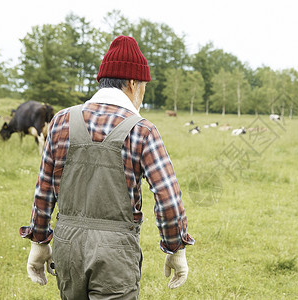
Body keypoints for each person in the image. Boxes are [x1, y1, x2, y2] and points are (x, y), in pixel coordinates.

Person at [19, 35, 194, 299]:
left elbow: (44, 190)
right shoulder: (143, 130)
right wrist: (175, 248)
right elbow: (167, 197)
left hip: (67, 249)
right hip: (116, 254)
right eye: (143, 87)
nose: (142, 96)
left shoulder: (60, 122)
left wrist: (39, 243)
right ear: (133, 83)